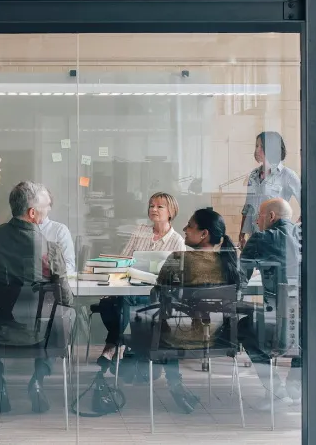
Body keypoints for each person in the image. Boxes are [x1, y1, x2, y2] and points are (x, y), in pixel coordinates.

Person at [0, 181, 73, 414]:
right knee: (66, 314)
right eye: (45, 207)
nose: (48, 211)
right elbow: (66, 297)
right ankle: (38, 380)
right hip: (39, 335)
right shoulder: (51, 248)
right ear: (32, 213)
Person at [127, 208, 245, 413]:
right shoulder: (230, 263)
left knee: (147, 322)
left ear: (204, 234)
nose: (184, 229)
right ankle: (164, 380)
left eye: (190, 226)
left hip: (178, 338)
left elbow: (158, 292)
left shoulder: (179, 259)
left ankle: (168, 382)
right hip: (219, 338)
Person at [96, 192, 186, 363]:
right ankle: (119, 342)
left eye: (160, 206)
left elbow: (177, 275)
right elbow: (124, 259)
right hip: (131, 285)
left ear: (171, 212)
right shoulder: (140, 231)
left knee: (123, 300)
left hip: (157, 294)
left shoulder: (177, 241)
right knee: (106, 302)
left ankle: (112, 345)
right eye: (151, 205)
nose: (154, 209)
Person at [238, 198, 302, 409]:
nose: (256, 221)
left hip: (279, 326)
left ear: (272, 217)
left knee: (242, 326)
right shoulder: (306, 236)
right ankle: (295, 383)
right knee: (301, 325)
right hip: (312, 326)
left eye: (259, 216)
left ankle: (274, 388)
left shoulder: (262, 238)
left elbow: (240, 279)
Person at [238, 131, 301, 250]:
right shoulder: (254, 175)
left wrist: (294, 230)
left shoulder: (288, 175)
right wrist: (242, 234)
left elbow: (306, 204)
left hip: (276, 239)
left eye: (261, 146)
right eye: (256, 146)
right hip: (255, 237)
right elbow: (248, 207)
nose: (257, 150)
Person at [38, 191, 76, 276]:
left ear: (49, 207)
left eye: (42, 204)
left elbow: (69, 266)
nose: (38, 208)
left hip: (52, 284)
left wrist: (50, 270)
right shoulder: (19, 230)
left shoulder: (60, 230)